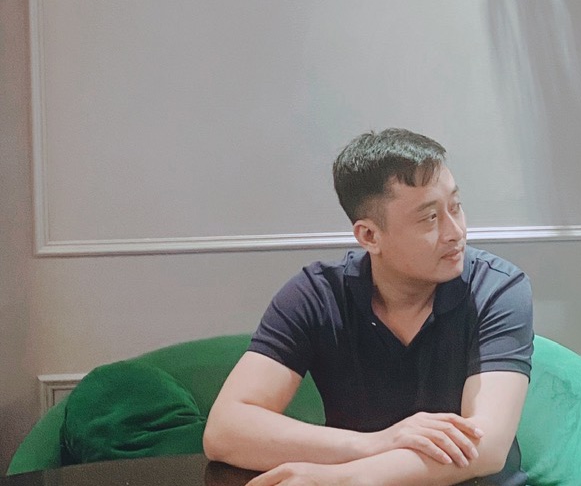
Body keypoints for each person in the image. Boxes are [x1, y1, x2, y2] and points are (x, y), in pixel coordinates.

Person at [203, 128, 534, 486]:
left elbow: (486, 447)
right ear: (370, 236)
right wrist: (378, 442)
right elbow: (225, 431)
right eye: (430, 218)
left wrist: (338, 479)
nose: (455, 232)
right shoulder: (316, 295)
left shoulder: (497, 289)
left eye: (455, 207)